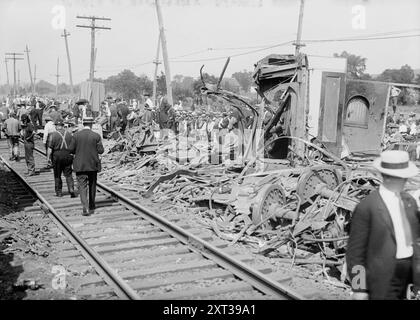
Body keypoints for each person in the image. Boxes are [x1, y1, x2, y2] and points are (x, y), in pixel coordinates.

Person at [346, 150, 420, 300]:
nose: (405, 181)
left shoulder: (409, 202)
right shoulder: (367, 207)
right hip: (381, 278)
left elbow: (415, 239)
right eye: (402, 177)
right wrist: (359, 287)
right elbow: (355, 254)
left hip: (408, 276)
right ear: (388, 178)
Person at [68, 117, 104, 216]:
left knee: (82, 186)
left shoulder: (76, 135)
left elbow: (70, 149)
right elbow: (101, 151)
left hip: (80, 165)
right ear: (92, 124)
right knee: (92, 185)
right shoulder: (96, 136)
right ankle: (92, 204)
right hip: (93, 164)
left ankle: (85, 208)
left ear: (83, 124)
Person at [47, 120, 76, 198]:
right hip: (68, 156)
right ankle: (71, 189)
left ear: (57, 126)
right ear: (63, 126)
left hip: (57, 156)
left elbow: (50, 149)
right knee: (68, 174)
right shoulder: (69, 135)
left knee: (57, 175)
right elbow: (73, 147)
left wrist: (48, 159)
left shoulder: (53, 135)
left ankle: (59, 192)